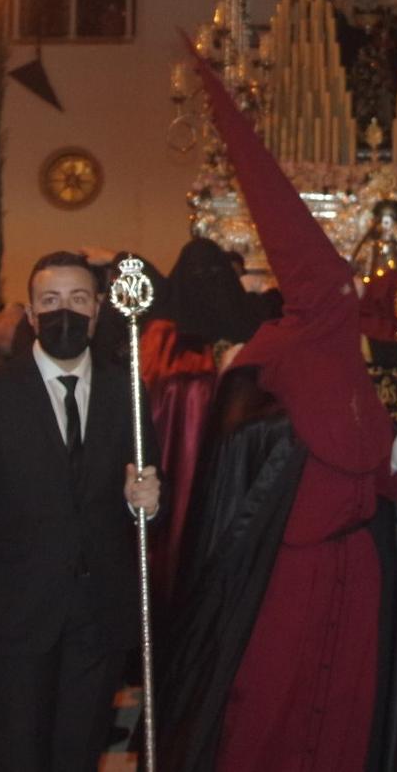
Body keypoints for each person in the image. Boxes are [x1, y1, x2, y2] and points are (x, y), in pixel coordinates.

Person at [156, 54, 397, 772]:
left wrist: (395, 465)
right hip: (285, 574)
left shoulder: (347, 361)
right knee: (270, 706)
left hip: (358, 566)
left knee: (346, 711)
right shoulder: (263, 363)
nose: (345, 299)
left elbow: (367, 455)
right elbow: (251, 485)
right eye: (334, 288)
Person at [0, 250, 161, 771]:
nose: (67, 311)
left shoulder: (125, 390)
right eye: (52, 301)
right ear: (32, 314)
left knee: (81, 753)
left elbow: (146, 490)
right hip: (16, 614)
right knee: (19, 753)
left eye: (79, 299)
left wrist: (148, 502)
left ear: (100, 308)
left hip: (98, 611)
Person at [139, 237, 255, 608]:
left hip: (230, 462)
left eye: (213, 274)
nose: (206, 283)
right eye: (198, 274)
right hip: (176, 459)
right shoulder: (161, 335)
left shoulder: (247, 329)